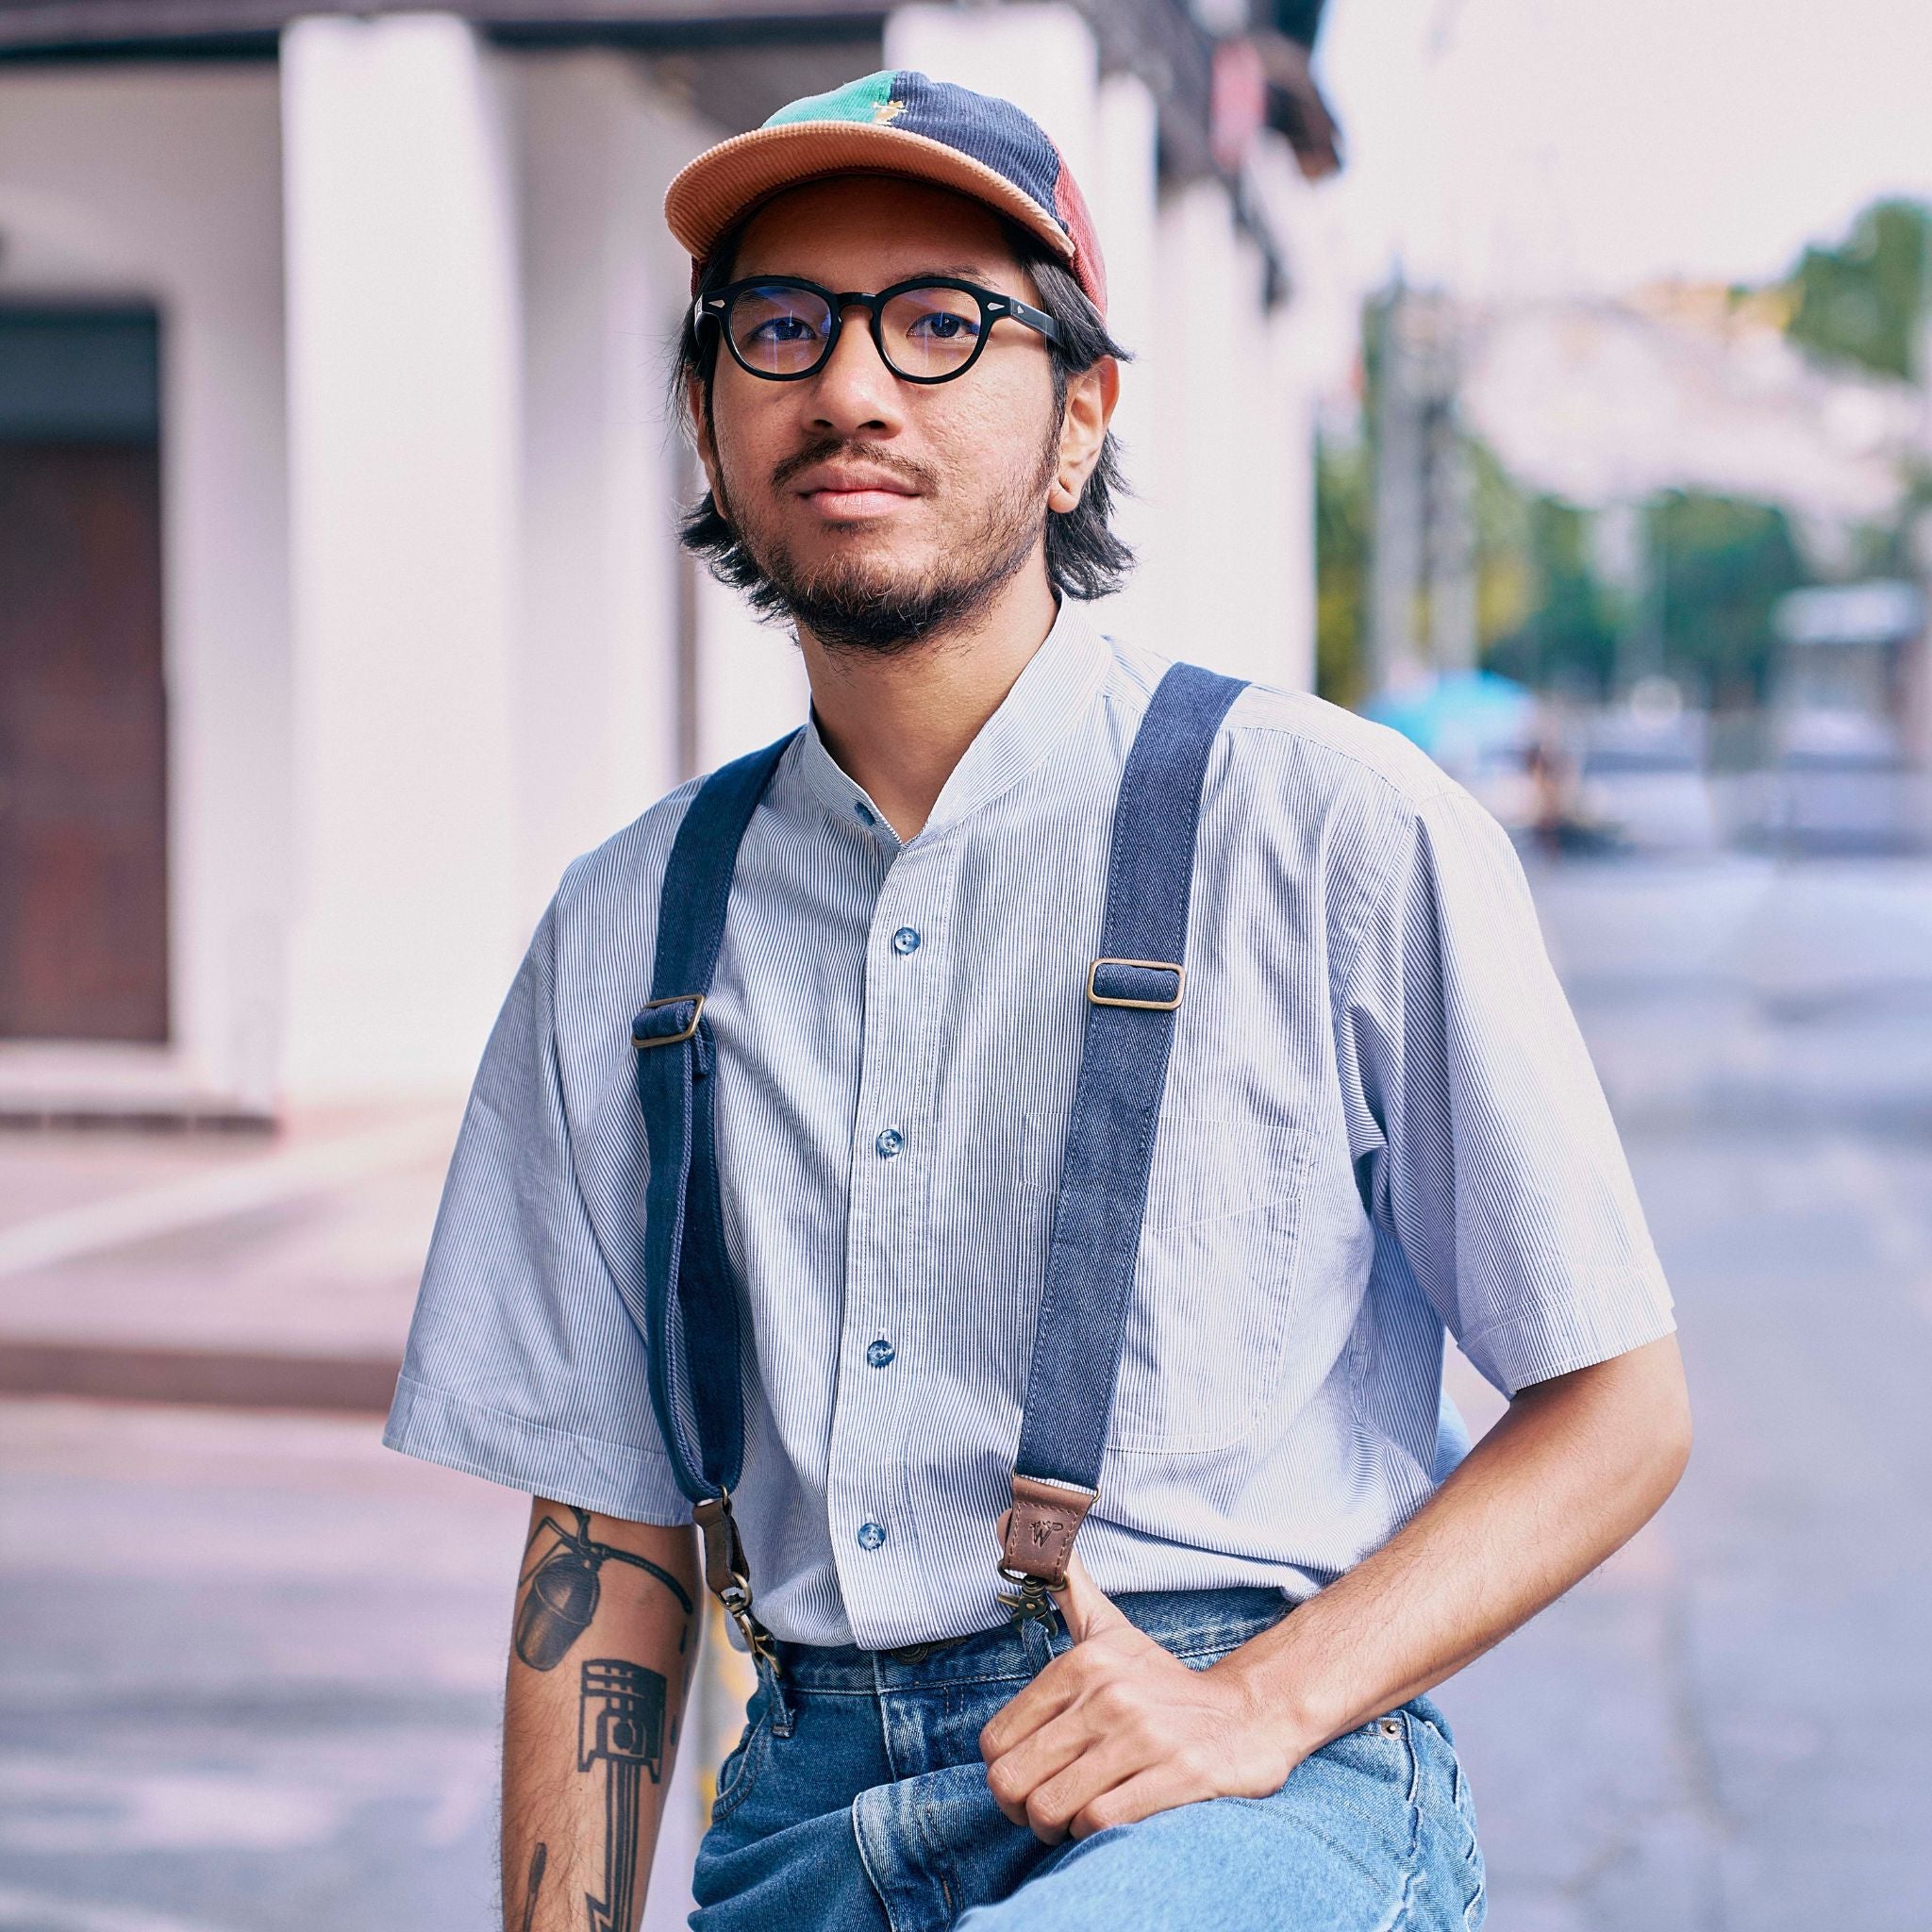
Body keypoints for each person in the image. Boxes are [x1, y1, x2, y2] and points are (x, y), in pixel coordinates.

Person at [384, 70, 1691, 1932]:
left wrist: (1260, 1699)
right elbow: (605, 1536)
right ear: (705, 413)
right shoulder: (623, 932)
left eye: (939, 323)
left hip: (1240, 1793)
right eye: (780, 327)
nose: (850, 387)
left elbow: (1618, 1406)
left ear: (1079, 412)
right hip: (802, 1814)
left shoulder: (1331, 826)